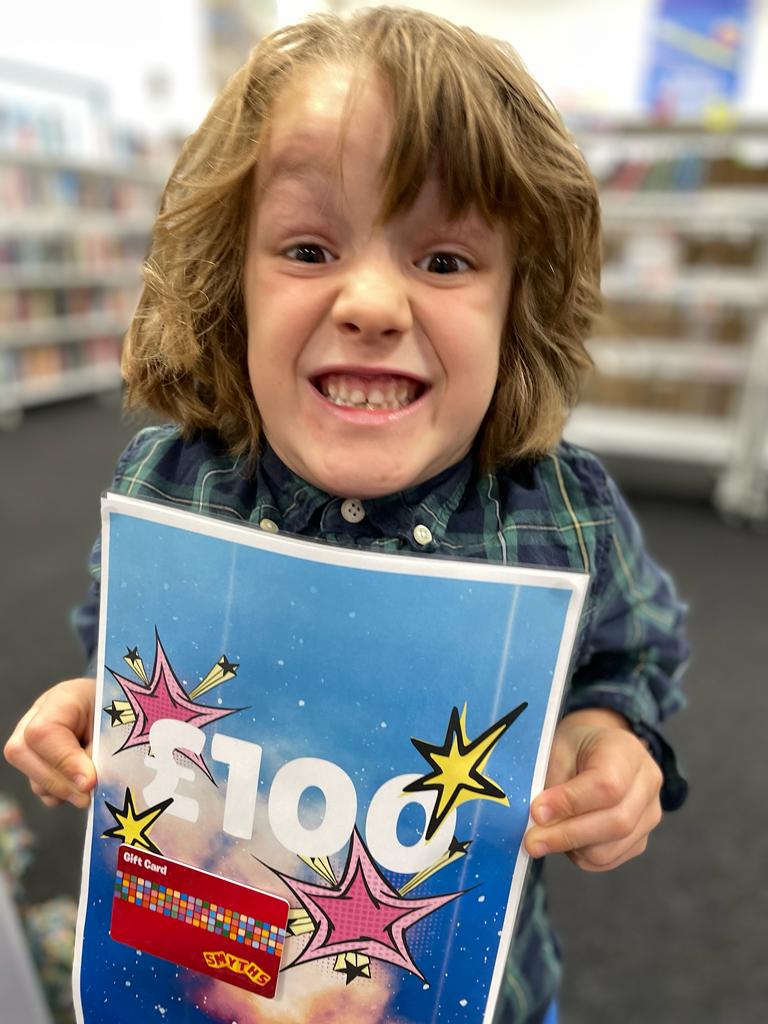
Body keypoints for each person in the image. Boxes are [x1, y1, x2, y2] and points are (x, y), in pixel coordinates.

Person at [4, 7, 688, 1022]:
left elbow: (632, 664)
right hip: (209, 959)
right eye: (311, 248)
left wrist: (610, 742)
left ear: (519, 306)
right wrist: (92, 710)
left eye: (445, 261)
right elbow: (126, 656)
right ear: (229, 285)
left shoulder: (561, 509)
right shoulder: (172, 481)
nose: (372, 301)